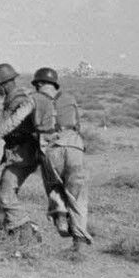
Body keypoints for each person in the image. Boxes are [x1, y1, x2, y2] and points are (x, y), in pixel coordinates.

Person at [0, 63, 40, 241]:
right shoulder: (14, 98)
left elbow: (3, 126)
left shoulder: (17, 100)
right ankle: (13, 233)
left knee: (5, 196)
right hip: (19, 153)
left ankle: (26, 233)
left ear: (2, 83)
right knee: (4, 195)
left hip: (22, 154)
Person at [30, 67, 90, 251]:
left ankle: (60, 214)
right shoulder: (70, 99)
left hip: (52, 149)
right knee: (77, 196)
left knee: (53, 184)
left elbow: (30, 127)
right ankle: (79, 242)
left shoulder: (36, 100)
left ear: (39, 83)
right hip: (74, 148)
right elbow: (78, 125)